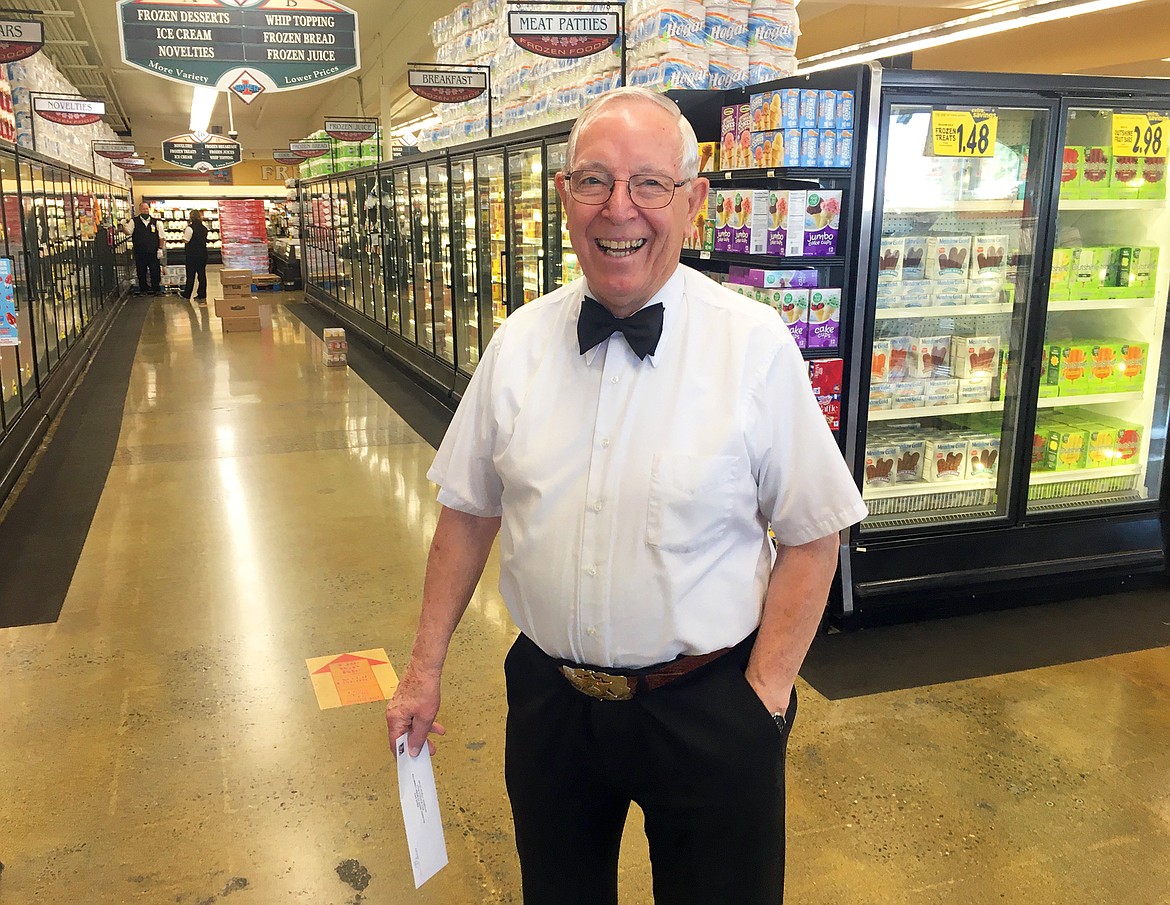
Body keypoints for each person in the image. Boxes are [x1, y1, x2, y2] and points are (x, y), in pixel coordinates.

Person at [385, 87, 867, 905]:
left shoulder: (754, 347)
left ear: (693, 201)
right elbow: (468, 512)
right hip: (552, 706)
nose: (620, 209)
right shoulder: (517, 344)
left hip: (711, 703)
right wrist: (422, 671)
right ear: (565, 195)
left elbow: (815, 532)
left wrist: (766, 697)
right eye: (594, 181)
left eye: (650, 183)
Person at [127, 201, 162, 296]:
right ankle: (143, 289)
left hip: (153, 251)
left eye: (147, 209)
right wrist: (122, 226)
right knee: (141, 271)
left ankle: (156, 289)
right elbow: (128, 232)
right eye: (143, 209)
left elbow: (161, 237)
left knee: (155, 270)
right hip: (140, 252)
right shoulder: (133, 221)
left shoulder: (156, 222)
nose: (145, 211)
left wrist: (160, 248)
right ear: (139, 210)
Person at [182, 209, 209, 303]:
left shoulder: (190, 228)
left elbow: (186, 240)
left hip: (192, 255)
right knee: (202, 275)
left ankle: (187, 294)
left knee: (191, 275)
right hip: (203, 254)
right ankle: (202, 294)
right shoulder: (204, 228)